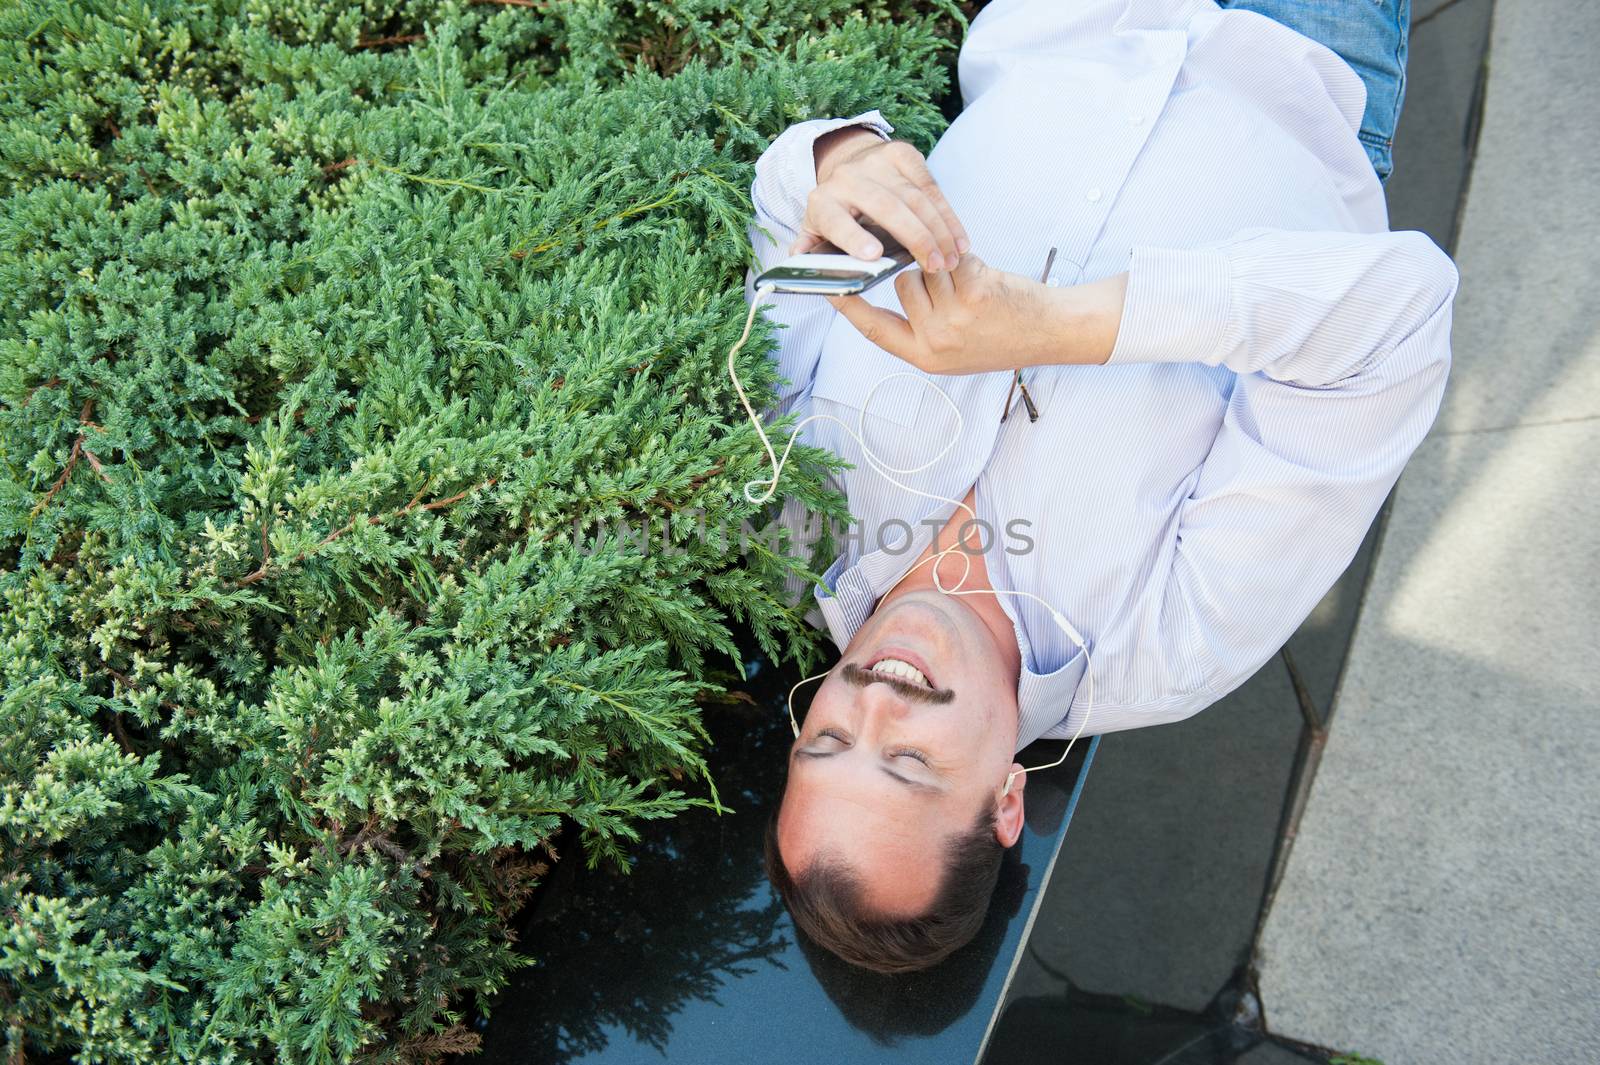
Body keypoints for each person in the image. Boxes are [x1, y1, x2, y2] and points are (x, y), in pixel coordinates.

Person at [745, 0, 1451, 974]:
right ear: (1002, 800)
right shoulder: (1166, 645)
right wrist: (1055, 329)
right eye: (908, 763)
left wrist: (838, 166)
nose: (873, 700)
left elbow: (788, 221)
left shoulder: (794, 530)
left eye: (825, 744)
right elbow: (1396, 316)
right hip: (1303, 59)